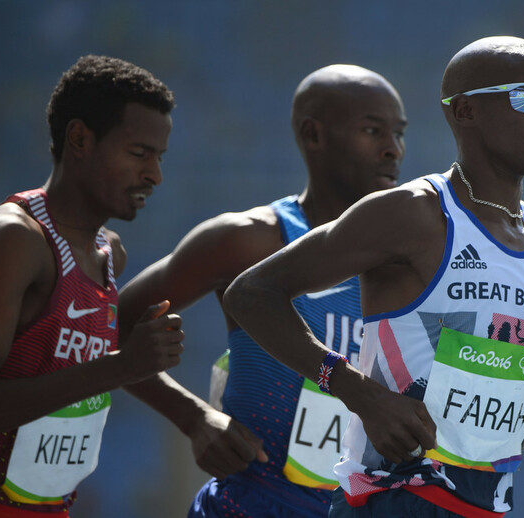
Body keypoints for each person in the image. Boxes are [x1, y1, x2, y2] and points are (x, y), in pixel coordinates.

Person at [223, 36, 524, 517]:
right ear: (466, 111)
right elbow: (251, 292)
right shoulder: (411, 215)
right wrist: (355, 390)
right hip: (390, 504)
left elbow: (515, 427)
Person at [0, 55, 185, 518]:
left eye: (159, 157)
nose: (154, 174)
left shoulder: (111, 252)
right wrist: (119, 368)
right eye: (139, 153)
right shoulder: (18, 236)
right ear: (79, 139)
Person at [117, 64, 406, 517]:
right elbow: (110, 324)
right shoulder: (246, 241)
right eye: (373, 130)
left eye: (399, 133)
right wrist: (194, 418)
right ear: (313, 135)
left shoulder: (410, 261)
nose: (393, 150)